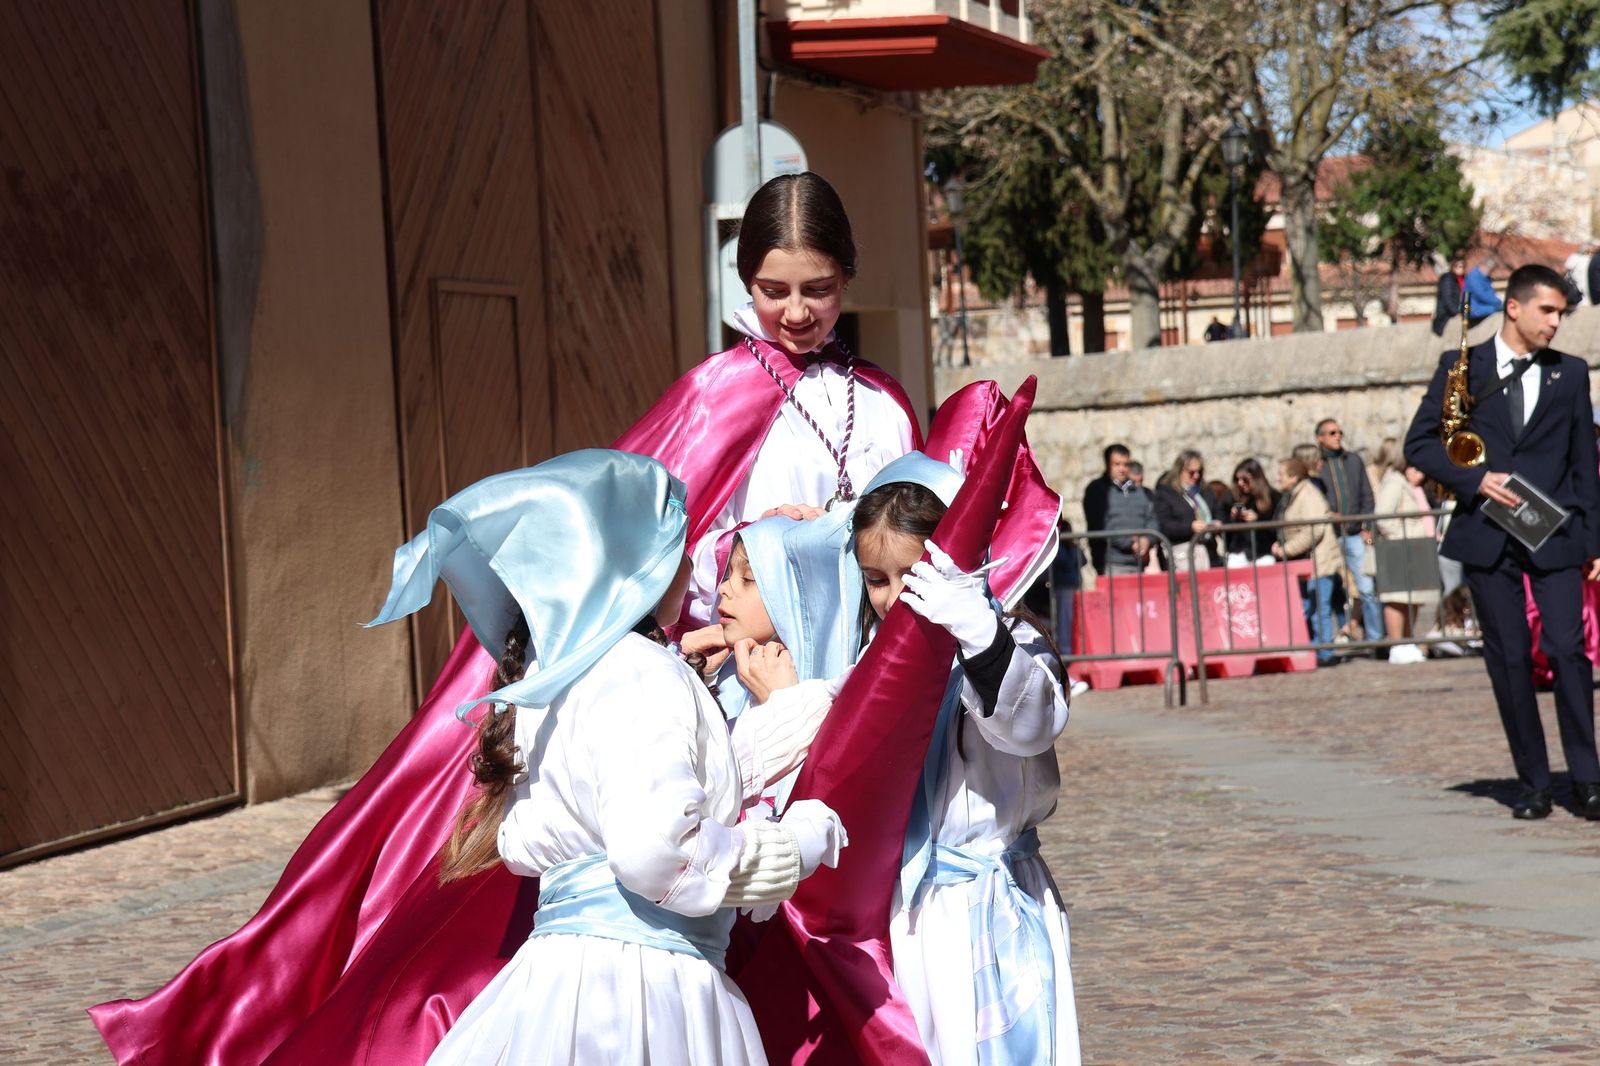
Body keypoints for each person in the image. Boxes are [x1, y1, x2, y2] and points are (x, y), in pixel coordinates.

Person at [90, 172, 919, 1066]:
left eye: (819, 289)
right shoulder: (715, 393)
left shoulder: (880, 404)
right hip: (732, 680)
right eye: (774, 289)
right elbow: (670, 548)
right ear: (743, 282)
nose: (796, 311)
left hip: (857, 682)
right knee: (725, 883)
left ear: (850, 278)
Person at [348, 451, 844, 1065]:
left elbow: (670, 787)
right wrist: (794, 844)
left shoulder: (555, 678)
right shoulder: (641, 673)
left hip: (557, 987)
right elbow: (659, 851)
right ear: (633, 564)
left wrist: (800, 711)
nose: (692, 570)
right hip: (640, 996)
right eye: (679, 548)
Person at [848, 453, 1080, 1065]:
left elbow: (1032, 724)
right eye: (877, 578)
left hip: (985, 901)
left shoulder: (1009, 638)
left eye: (912, 574)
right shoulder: (868, 658)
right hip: (908, 913)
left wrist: (979, 634)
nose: (895, 596)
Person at [1404, 263, 1600, 820]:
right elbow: (1419, 444)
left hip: (1555, 535)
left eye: (1562, 313)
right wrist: (1475, 478)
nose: (1557, 323)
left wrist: (1594, 541)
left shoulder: (1571, 373)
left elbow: (1583, 461)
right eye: (1548, 310)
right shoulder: (1460, 367)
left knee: (1568, 652)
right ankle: (1534, 783)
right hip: (1487, 535)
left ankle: (1587, 777)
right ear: (1513, 307)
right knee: (1510, 659)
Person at [1316, 418, 1382, 644]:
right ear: (1320, 438)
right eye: (1332, 433)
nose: (1338, 436)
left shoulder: (1353, 460)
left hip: (1353, 534)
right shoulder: (1318, 466)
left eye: (1340, 432)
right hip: (1328, 538)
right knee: (1329, 591)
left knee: (1367, 588)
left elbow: (1367, 495)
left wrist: (1366, 526)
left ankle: (1376, 640)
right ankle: (1334, 638)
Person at [1272, 457, 1344, 666]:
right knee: (1311, 606)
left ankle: (1324, 652)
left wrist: (1286, 550)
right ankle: (1317, 648)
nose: (1279, 478)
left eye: (1282, 475)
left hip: (1319, 561)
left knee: (1319, 607)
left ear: (1293, 477)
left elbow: (1314, 530)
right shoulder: (1296, 494)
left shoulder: (1308, 495)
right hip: (1307, 561)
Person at [1372, 454, 1439, 664]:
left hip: (1417, 548)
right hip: (1399, 548)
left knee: (1415, 599)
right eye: (1416, 471)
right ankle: (1397, 643)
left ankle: (1409, 642)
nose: (1419, 477)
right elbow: (1383, 516)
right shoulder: (1395, 484)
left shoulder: (1415, 488)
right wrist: (1400, 536)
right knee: (1397, 599)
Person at [1083, 442, 1155, 575]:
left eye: (1125, 464)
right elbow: (1099, 524)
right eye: (1117, 464)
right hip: (1111, 562)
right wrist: (1130, 543)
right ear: (1108, 465)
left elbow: (1152, 518)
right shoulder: (1097, 490)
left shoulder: (1139, 491)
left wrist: (1147, 539)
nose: (1122, 469)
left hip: (1138, 562)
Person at [1154, 449, 1225, 569]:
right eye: (1191, 472)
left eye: (1199, 472)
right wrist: (1190, 527)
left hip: (1209, 554)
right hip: (1183, 556)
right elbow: (1164, 524)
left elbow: (1218, 512)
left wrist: (1218, 523)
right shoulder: (1166, 492)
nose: (1196, 476)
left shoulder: (1205, 491)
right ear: (1180, 470)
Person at [1225, 457, 1280, 564]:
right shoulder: (1234, 496)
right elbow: (1222, 519)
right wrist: (1233, 517)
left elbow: (1276, 525)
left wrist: (1258, 520)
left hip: (1263, 552)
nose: (1240, 483)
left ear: (1256, 478)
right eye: (1237, 480)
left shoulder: (1273, 496)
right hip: (1239, 552)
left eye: (1245, 479)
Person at [1432, 253, 1468, 336]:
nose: (1459, 269)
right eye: (1456, 266)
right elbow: (1447, 298)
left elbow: (1466, 297)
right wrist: (1456, 312)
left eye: (1461, 266)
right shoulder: (1447, 279)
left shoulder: (1464, 279)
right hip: (1446, 316)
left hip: (1460, 313)